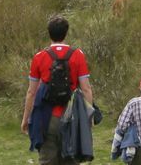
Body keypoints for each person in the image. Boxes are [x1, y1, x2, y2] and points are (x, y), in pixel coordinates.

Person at [23, 15, 94, 165]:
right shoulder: (78, 55)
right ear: (66, 33)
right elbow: (86, 88)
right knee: (71, 160)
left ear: (49, 33)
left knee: (47, 160)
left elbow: (31, 92)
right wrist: (89, 117)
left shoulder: (39, 57)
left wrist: (26, 118)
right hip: (72, 117)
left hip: (46, 118)